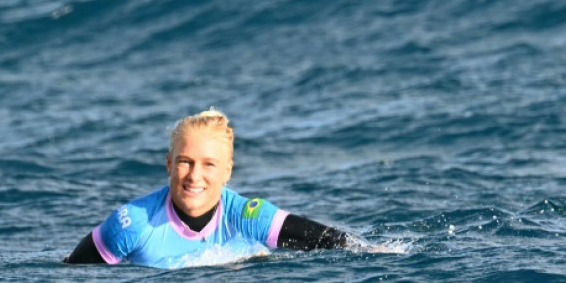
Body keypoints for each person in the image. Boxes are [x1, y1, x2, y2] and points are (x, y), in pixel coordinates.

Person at [64, 108, 361, 268]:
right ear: (169, 165)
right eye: (185, 162)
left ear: (227, 171)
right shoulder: (132, 223)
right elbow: (72, 278)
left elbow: (334, 243)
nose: (194, 176)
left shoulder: (248, 217)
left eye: (208, 164)